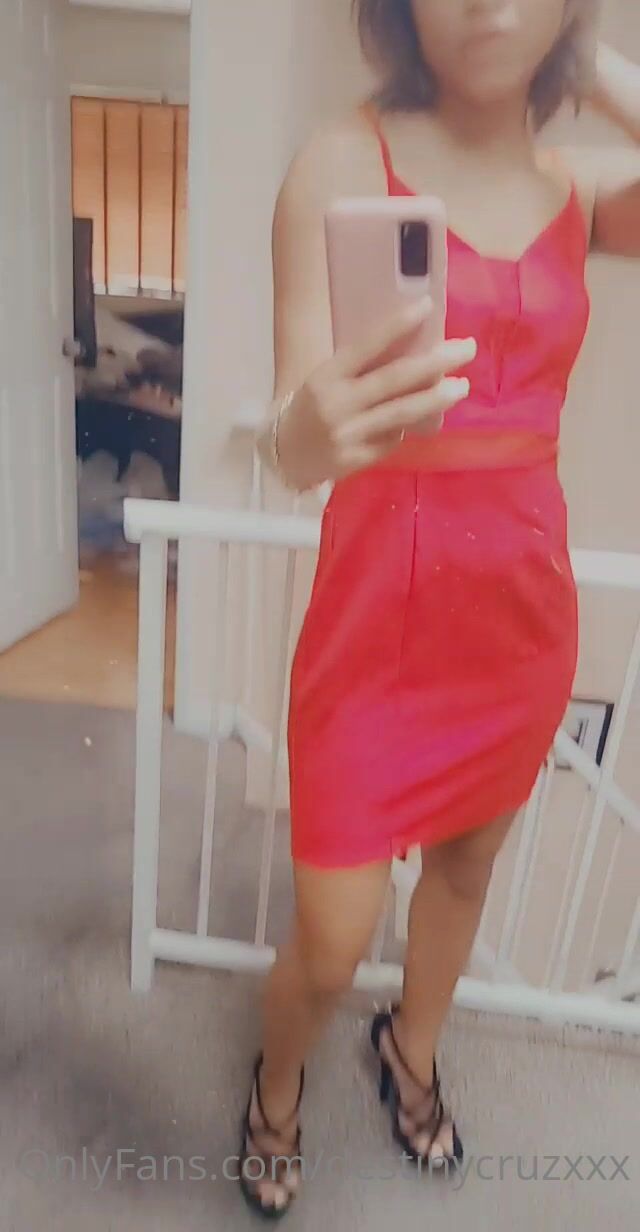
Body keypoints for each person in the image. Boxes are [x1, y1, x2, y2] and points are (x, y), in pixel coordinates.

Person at [240, 0, 640, 1216]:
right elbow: (291, 430)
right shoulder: (338, 160)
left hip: (518, 614)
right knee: (331, 934)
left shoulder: (577, 187)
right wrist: (299, 434)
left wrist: (591, 63)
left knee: (463, 875)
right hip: (374, 617)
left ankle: (409, 1052)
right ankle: (273, 1084)